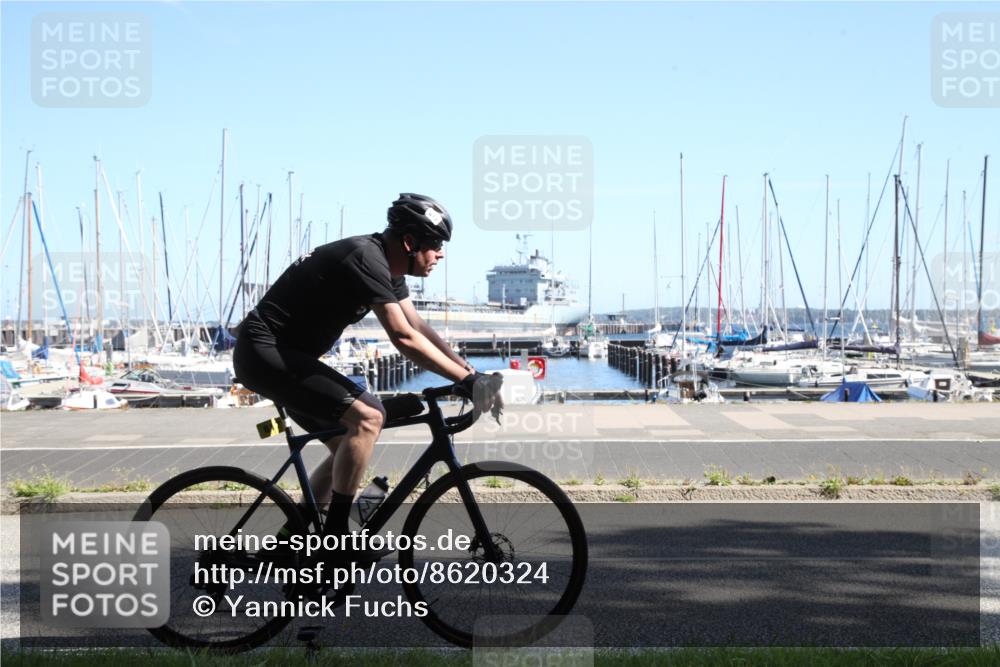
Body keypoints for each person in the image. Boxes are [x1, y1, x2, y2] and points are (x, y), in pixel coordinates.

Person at [233, 193, 501, 561]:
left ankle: (286, 543)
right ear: (409, 242)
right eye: (435, 245)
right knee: (370, 416)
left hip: (287, 355)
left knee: (348, 440)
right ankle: (338, 539)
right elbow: (402, 337)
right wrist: (470, 384)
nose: (440, 254)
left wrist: (470, 373)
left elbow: (418, 325)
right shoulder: (365, 257)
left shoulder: (388, 268)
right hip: (264, 352)